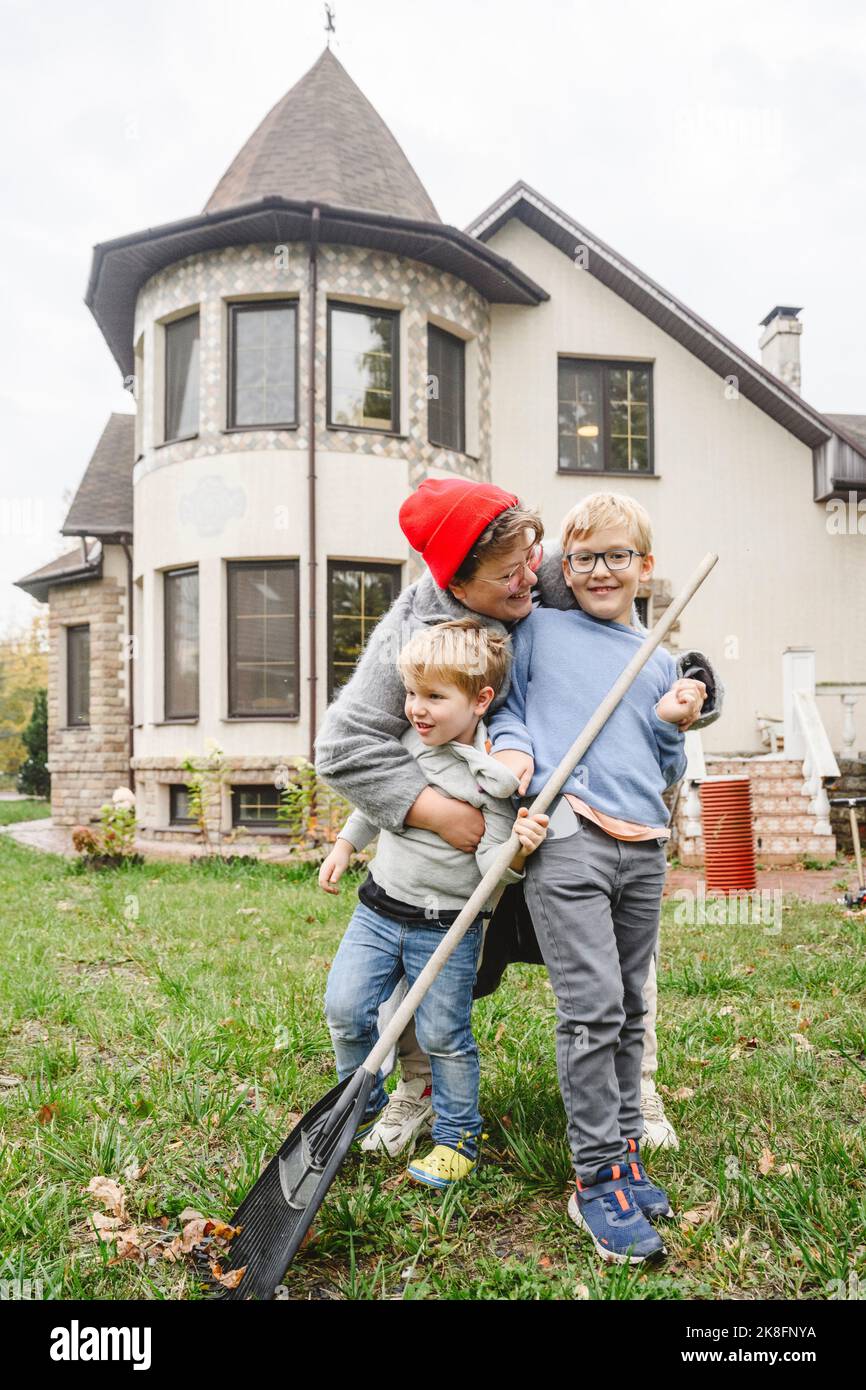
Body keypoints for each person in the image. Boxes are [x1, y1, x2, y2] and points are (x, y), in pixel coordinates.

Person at [315, 477, 723, 1157]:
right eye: (510, 575)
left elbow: (630, 637)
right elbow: (343, 748)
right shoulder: (412, 638)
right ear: (458, 585)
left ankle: (635, 1084)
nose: (535, 579)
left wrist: (697, 693)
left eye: (535, 559)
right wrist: (436, 812)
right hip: (462, 848)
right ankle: (418, 1087)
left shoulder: (550, 575)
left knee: (627, 956)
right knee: (426, 958)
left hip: (566, 827)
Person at [488, 491, 706, 1263]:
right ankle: (594, 1181)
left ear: (645, 569)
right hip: (569, 833)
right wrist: (514, 752)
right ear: (562, 568)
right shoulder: (539, 631)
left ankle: (623, 1155)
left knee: (631, 1011)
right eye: (583, 558)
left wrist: (673, 725)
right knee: (593, 1009)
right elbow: (507, 710)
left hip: (643, 843)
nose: (601, 570)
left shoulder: (659, 661)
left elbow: (666, 765)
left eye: (618, 556)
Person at [322, 619, 549, 1188]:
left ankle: (456, 1137)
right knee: (346, 1010)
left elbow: (490, 870)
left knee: (445, 1035)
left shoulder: (494, 782)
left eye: (433, 697)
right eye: (411, 694)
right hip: (377, 911)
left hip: (445, 928)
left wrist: (516, 852)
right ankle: (362, 1101)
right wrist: (346, 844)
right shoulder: (405, 744)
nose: (416, 709)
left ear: (480, 701)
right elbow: (377, 801)